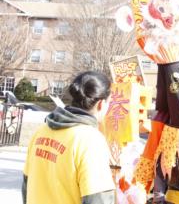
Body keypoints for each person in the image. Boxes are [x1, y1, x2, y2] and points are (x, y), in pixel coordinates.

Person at [22, 71, 115, 204]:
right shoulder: (91, 140)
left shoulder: (41, 131)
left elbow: (26, 183)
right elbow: (98, 198)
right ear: (101, 104)